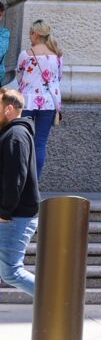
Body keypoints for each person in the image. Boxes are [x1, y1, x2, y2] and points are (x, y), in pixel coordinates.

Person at [0, 86, 39, 299]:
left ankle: (58, 299)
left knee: (12, 273)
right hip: (12, 215)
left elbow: (16, 179)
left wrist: (5, 212)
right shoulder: (12, 134)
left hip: (14, 216)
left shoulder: (16, 136)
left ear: (9, 109)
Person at [14, 23, 62, 178]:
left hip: (27, 101)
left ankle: (20, 182)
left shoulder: (26, 54)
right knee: (39, 143)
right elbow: (58, 78)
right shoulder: (57, 56)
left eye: (30, 32)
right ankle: (33, 185)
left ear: (35, 33)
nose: (29, 36)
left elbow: (19, 77)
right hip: (49, 103)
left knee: (22, 143)